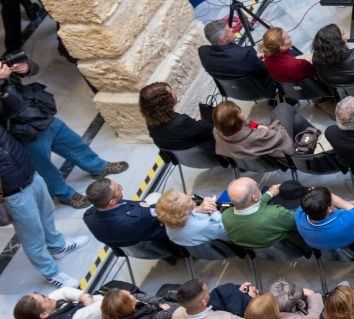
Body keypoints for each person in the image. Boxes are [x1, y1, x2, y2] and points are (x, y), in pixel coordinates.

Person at [1, 63, 129, 209]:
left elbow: (33, 68)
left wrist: (27, 67)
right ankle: (65, 194)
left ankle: (98, 167)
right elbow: (12, 105)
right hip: (23, 131)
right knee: (45, 167)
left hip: (41, 115)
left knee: (74, 143)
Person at [82, 178, 169, 250]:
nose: (121, 188)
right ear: (112, 202)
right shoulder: (137, 217)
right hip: (155, 240)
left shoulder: (87, 216)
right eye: (118, 189)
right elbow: (161, 213)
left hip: (127, 245)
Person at [218, 177, 302, 250]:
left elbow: (252, 206)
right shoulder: (276, 213)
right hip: (289, 247)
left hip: (257, 249)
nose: (259, 187)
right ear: (254, 198)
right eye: (257, 186)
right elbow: (298, 225)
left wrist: (269, 194)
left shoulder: (225, 215)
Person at [138, 81, 215, 153]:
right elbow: (212, 130)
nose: (175, 94)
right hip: (208, 153)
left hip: (186, 158)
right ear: (164, 102)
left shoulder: (151, 124)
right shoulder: (181, 122)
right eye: (171, 93)